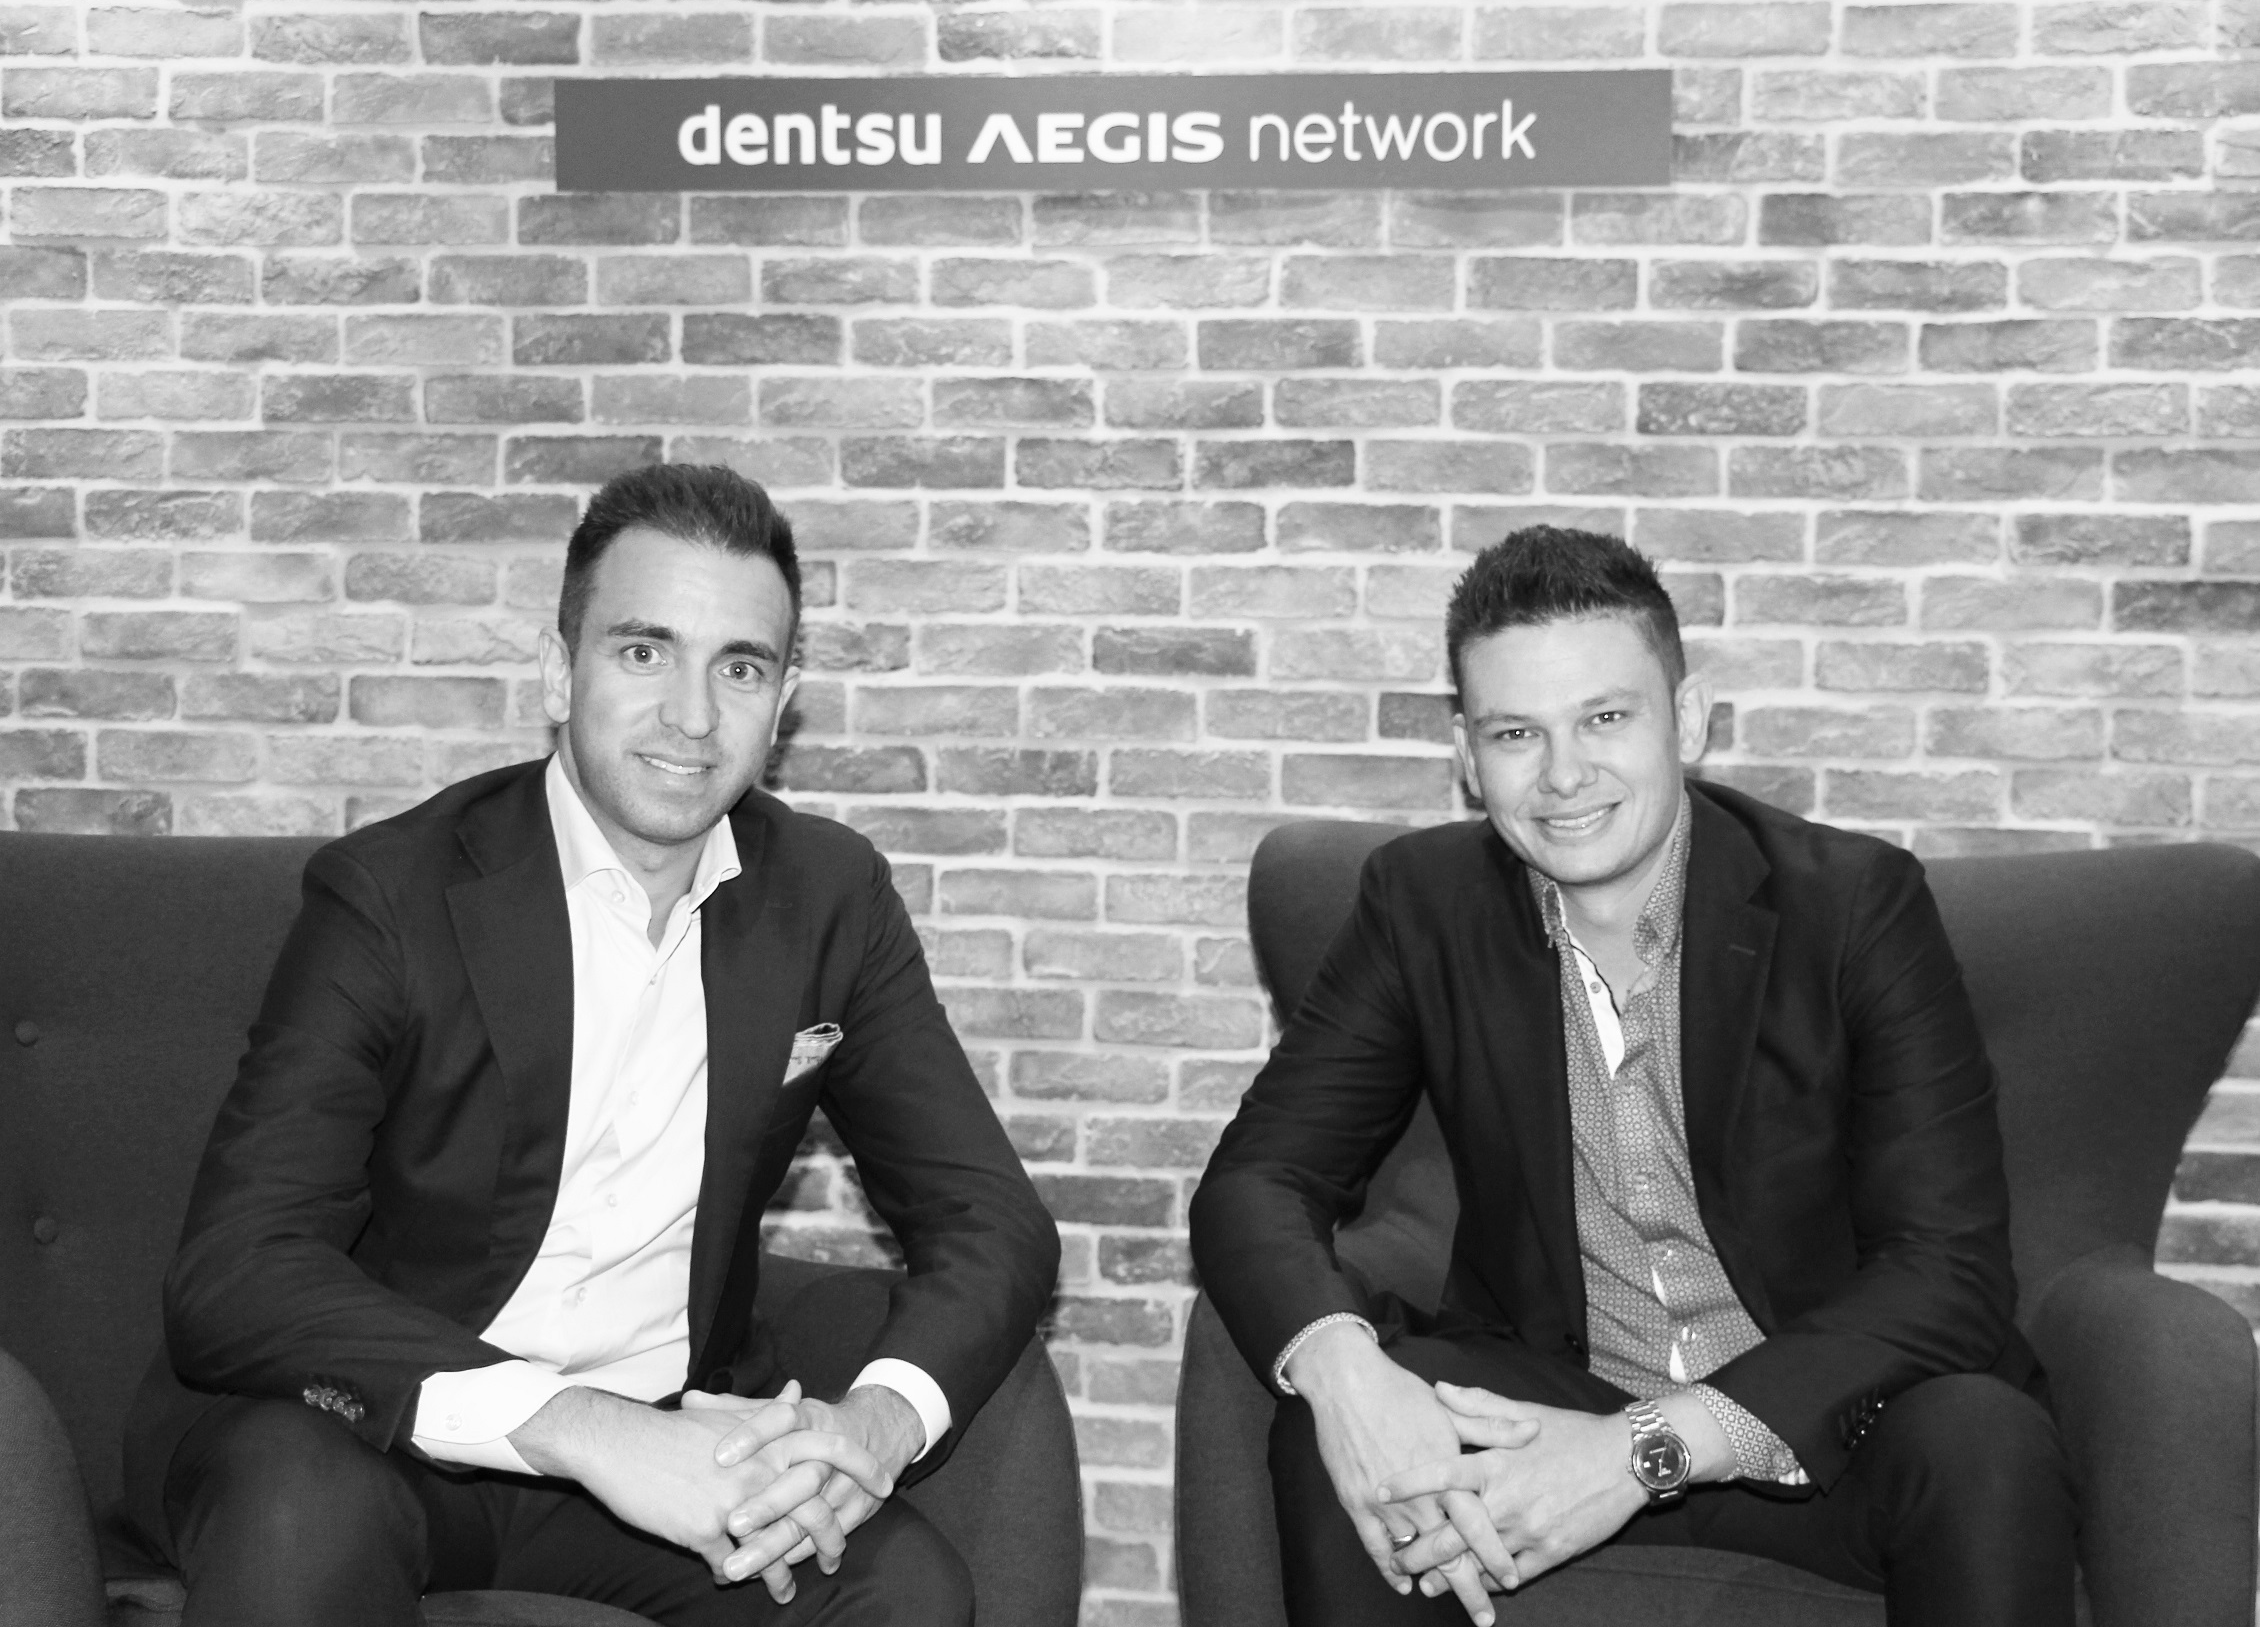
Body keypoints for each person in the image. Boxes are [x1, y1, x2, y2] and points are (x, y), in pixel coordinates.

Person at [121, 464, 1060, 1627]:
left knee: (901, 1590)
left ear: (784, 703)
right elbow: (236, 1270)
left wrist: (870, 1428)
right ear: (557, 671)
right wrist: (583, 1429)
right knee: (297, 1517)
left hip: (667, 1453)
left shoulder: (830, 899)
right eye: (644, 651)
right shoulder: (390, 896)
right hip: (372, 1437)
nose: (692, 716)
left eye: (740, 668)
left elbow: (990, 1219)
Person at [1189, 527, 2076, 1627]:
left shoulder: (1854, 906)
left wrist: (1642, 1450)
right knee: (1346, 1432)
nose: (1563, 776)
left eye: (1605, 718)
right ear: (1466, 753)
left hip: (1817, 1420)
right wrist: (1342, 1373)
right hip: (1553, 1392)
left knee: (1985, 1442)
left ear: (1687, 720)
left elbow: (1948, 1269)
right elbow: (1259, 1180)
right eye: (1517, 733)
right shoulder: (1421, 903)